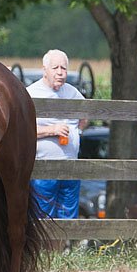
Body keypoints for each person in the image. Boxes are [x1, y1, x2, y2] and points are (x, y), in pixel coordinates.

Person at [27, 49, 86, 219]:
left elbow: (87, 114)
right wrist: (51, 130)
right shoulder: (31, 93)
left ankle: (63, 247)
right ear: (44, 69)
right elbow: (23, 133)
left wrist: (78, 131)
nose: (60, 72)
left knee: (68, 217)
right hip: (43, 166)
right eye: (55, 68)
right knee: (43, 217)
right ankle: (45, 247)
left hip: (70, 166)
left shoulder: (73, 92)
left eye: (64, 68)